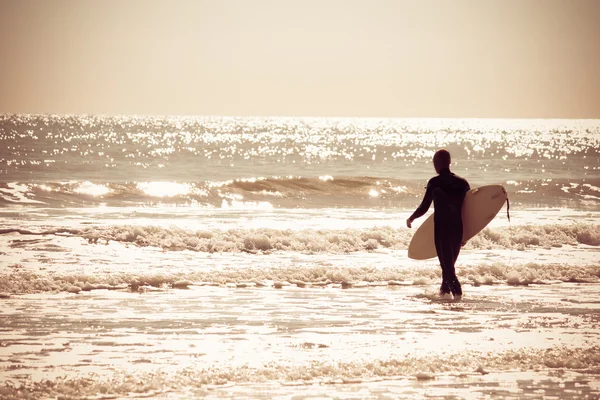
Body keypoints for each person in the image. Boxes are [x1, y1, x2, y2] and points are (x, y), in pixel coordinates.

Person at [406, 149, 470, 299]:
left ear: (436, 164)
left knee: (447, 268)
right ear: (449, 163)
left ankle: (458, 297)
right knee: (448, 266)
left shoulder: (434, 183)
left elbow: (424, 206)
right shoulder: (462, 183)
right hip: (457, 229)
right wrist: (467, 233)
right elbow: (469, 211)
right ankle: (444, 295)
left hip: (442, 231)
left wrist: (412, 218)